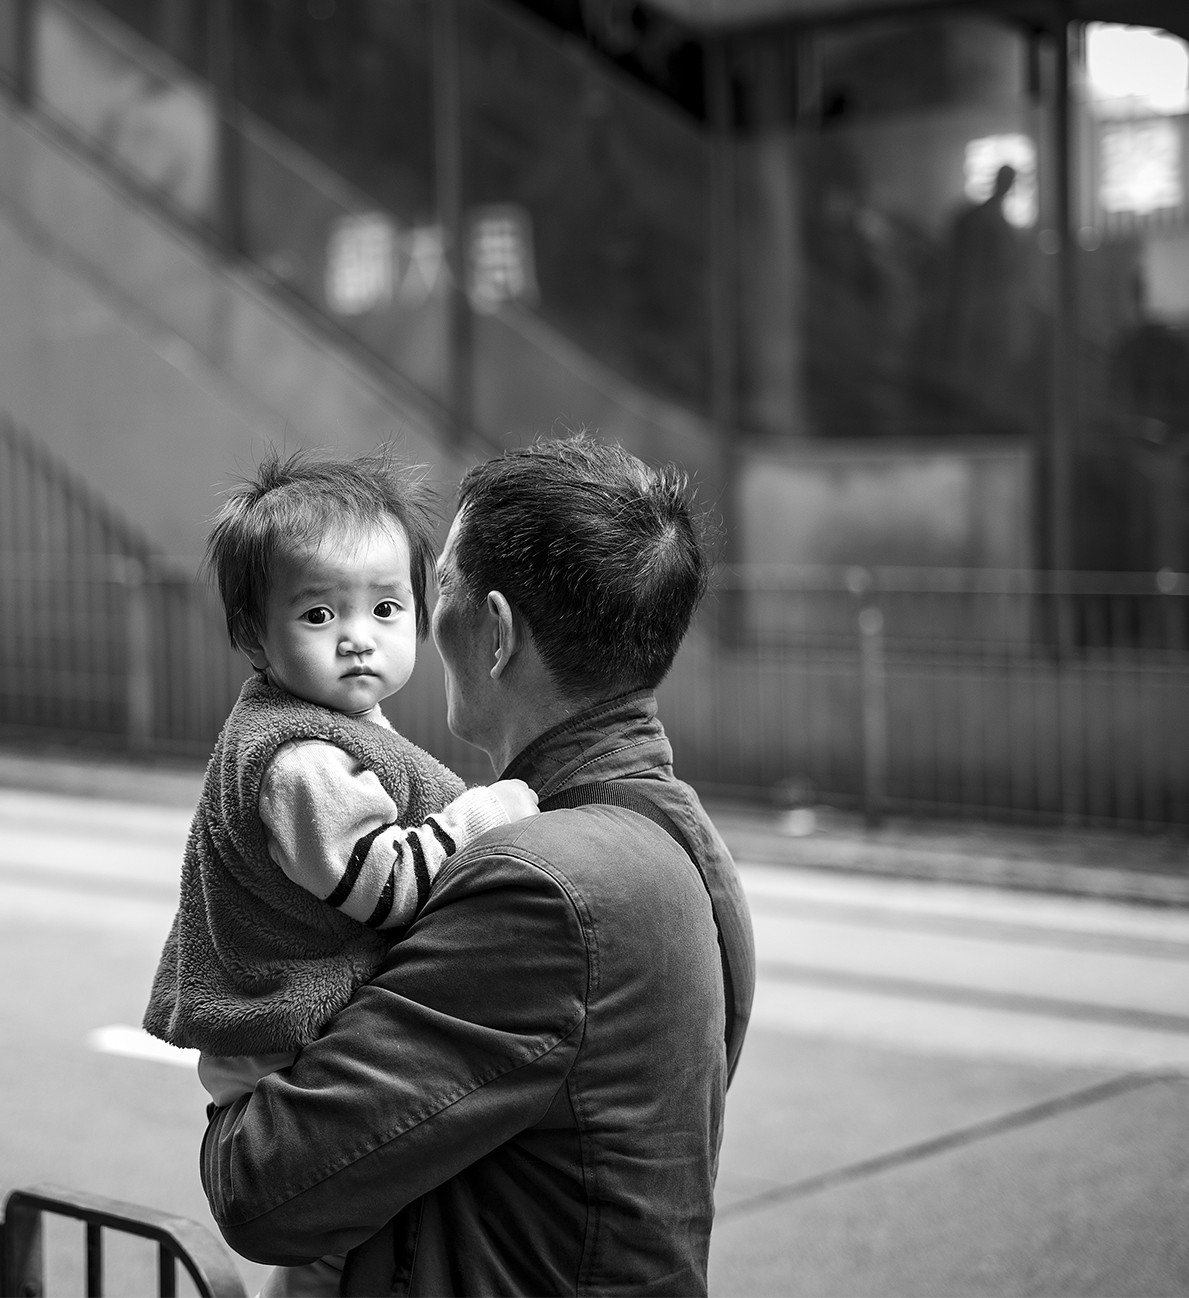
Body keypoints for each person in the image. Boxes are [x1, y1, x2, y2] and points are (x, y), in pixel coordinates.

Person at [201, 433, 756, 1295]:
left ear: (494, 632)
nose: (398, 627)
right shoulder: (683, 837)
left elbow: (263, 1188)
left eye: (430, 590)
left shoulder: (540, 883)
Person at [144, 450, 539, 1297]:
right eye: (320, 613)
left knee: (337, 1259)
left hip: (298, 1040)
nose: (358, 636)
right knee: (342, 1246)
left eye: (386, 608)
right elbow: (385, 885)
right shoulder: (300, 761)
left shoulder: (335, 727)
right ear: (254, 636)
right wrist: (486, 816)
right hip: (281, 1053)